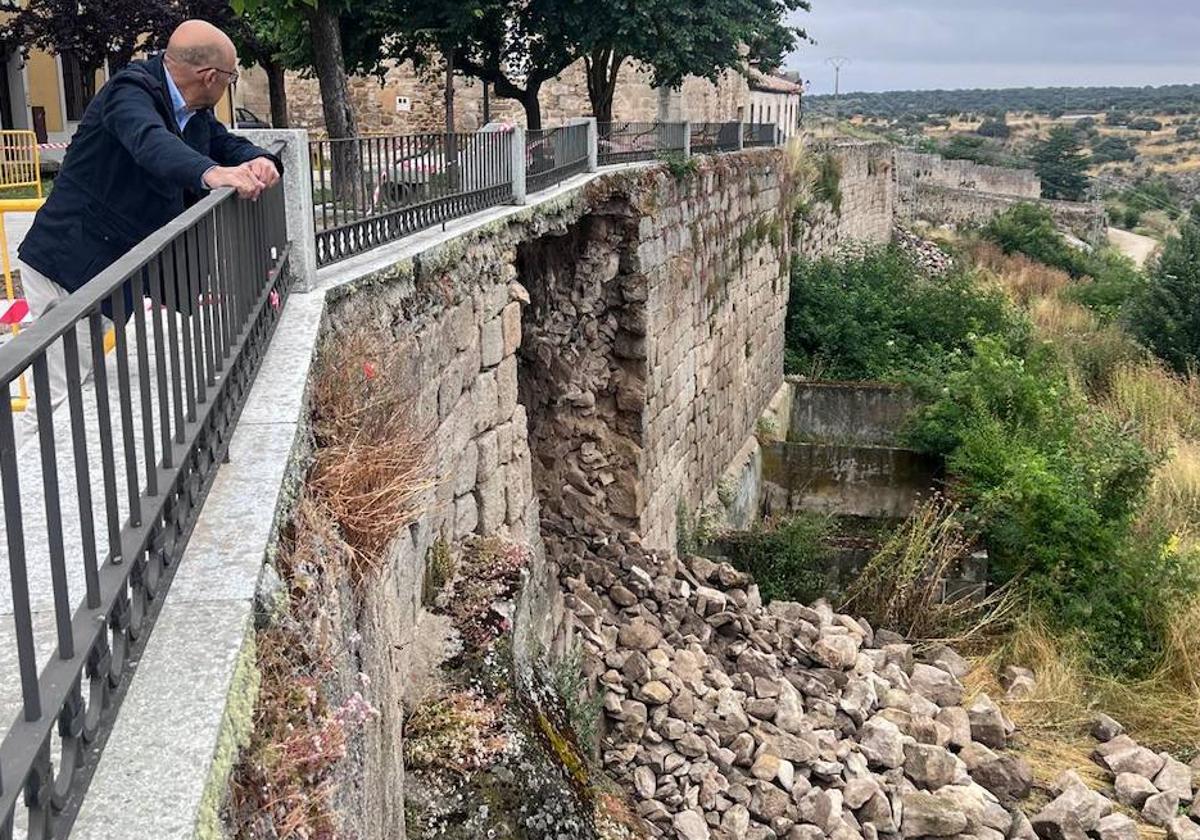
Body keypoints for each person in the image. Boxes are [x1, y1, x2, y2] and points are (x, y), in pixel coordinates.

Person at [15, 19, 282, 438]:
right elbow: (151, 143)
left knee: (73, 382)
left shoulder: (192, 109)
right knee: (57, 396)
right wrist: (212, 174)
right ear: (210, 77)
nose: (227, 86)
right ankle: (19, 478)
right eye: (230, 78)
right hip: (69, 262)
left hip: (110, 264)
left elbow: (220, 141)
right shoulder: (130, 93)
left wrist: (261, 159)